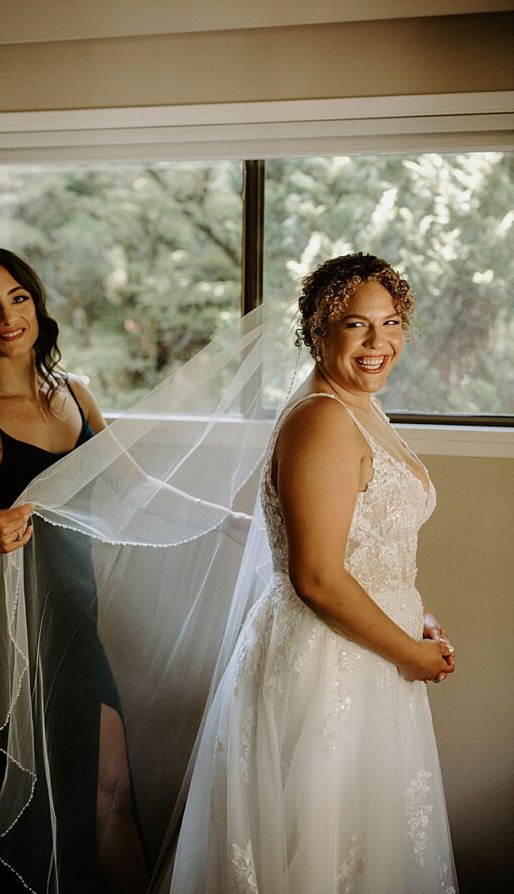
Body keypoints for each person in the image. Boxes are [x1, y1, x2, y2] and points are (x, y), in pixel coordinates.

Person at [171, 253, 457, 891]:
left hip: (373, 648)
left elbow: (372, 545)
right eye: (356, 325)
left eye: (391, 323)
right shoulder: (323, 419)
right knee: (321, 851)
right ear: (317, 332)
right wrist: (408, 651)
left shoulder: (358, 407)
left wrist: (420, 613)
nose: (378, 342)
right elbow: (317, 576)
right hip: (332, 660)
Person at [0, 248, 146, 892]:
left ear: (36, 304)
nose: (6, 318)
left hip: (77, 630)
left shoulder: (76, 394)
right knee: (12, 821)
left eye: (17, 298)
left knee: (112, 793)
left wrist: (230, 521)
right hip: (1, 647)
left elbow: (132, 491)